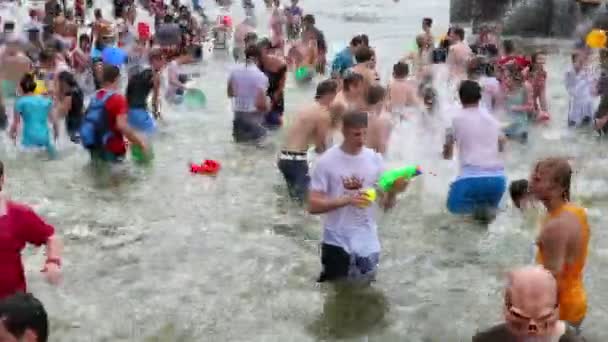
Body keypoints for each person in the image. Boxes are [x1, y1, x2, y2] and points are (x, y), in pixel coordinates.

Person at [308, 111, 408, 283]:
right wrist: (347, 200)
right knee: (337, 297)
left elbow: (386, 205)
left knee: (364, 296)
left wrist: (394, 192)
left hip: (367, 243)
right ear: (344, 131)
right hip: (336, 241)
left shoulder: (374, 160)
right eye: (356, 134)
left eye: (364, 133)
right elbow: (312, 205)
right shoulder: (327, 161)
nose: (361, 139)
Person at [530, 157, 590, 330]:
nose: (531, 181)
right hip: (575, 300)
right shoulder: (574, 211)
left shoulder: (555, 226)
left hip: (560, 310)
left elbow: (553, 279)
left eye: (538, 179)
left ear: (559, 188)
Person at [443, 80, 506, 219]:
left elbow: (447, 154)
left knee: (453, 222)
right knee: (484, 223)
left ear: (460, 98)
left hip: (469, 180)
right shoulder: (492, 119)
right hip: (497, 180)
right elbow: (502, 143)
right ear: (480, 97)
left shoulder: (454, 119)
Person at [0, 160, 62, 300]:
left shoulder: (18, 214)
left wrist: (53, 262)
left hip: (10, 306)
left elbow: (51, 237)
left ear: (2, 180)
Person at [472, 265, 583, 342]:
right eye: (520, 321)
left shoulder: (570, 340)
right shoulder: (488, 339)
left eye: (543, 320)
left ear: (557, 310)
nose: (531, 331)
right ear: (505, 310)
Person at [278, 79, 338, 202]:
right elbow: (321, 146)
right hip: (297, 161)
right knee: (306, 203)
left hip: (283, 158)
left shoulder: (305, 108)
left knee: (293, 200)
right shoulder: (323, 114)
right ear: (330, 95)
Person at [81, 65, 147, 163]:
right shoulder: (118, 99)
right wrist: (139, 142)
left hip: (95, 147)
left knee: (98, 175)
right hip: (113, 149)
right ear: (116, 78)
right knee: (119, 177)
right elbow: (121, 125)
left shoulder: (94, 97)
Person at [227, 44, 270, 144]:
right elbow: (261, 104)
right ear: (258, 59)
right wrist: (268, 105)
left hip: (237, 119)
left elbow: (230, 93)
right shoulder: (260, 76)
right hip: (252, 120)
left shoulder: (234, 71)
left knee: (240, 149)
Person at [9, 74, 58, 158]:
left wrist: (11, 136)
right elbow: (54, 121)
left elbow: (15, 124)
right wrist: (56, 134)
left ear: (21, 88)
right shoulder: (46, 101)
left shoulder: (19, 102)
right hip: (44, 138)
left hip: (29, 139)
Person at [258, 38, 287, 128]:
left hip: (276, 95)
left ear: (268, 51)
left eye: (261, 51)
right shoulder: (258, 63)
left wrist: (272, 102)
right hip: (262, 97)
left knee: (276, 124)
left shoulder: (281, 64)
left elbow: (281, 86)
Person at [565, 52, 594, 127]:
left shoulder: (587, 70)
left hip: (587, 101)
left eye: (583, 61)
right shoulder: (568, 72)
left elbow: (592, 85)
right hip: (575, 102)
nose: (582, 64)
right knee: (572, 123)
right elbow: (569, 88)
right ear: (573, 62)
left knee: (588, 122)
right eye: (580, 62)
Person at [56, 71, 84, 143]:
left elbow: (62, 113)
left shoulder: (69, 95)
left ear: (63, 83)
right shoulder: (78, 90)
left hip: (72, 124)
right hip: (81, 121)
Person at [365, 85, 392, 155]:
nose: (389, 101)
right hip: (374, 160)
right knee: (416, 166)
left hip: (363, 157)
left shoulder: (363, 116)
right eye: (388, 98)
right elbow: (382, 146)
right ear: (382, 100)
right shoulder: (382, 121)